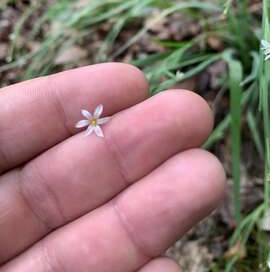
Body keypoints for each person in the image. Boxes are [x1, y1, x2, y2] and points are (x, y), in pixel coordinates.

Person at [0, 63, 226, 272]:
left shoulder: (96, 122)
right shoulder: (92, 123)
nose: (94, 122)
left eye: (95, 120)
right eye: (92, 121)